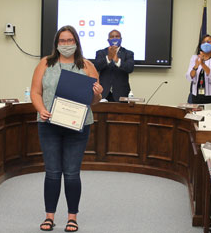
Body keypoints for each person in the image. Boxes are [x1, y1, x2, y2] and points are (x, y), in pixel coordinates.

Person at [31, 25, 103, 232]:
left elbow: (94, 101)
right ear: (56, 44)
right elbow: (35, 92)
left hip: (77, 126)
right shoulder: (45, 63)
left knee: (72, 173)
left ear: (76, 42)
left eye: (70, 40)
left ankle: (72, 218)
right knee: (52, 172)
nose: (66, 44)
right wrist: (41, 109)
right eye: (62, 41)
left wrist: (98, 93)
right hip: (48, 124)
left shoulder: (87, 66)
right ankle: (49, 217)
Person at [93, 30, 134, 101]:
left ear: (121, 39)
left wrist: (117, 60)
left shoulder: (128, 53)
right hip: (103, 92)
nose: (114, 38)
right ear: (108, 40)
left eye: (117, 36)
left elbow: (130, 68)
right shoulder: (101, 53)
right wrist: (108, 58)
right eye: (112, 37)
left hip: (122, 93)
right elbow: (96, 67)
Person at [185, 34, 211, 108]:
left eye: (208, 42)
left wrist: (202, 64)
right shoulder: (194, 58)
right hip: (196, 96)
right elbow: (189, 77)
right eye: (203, 42)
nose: (206, 44)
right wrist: (196, 66)